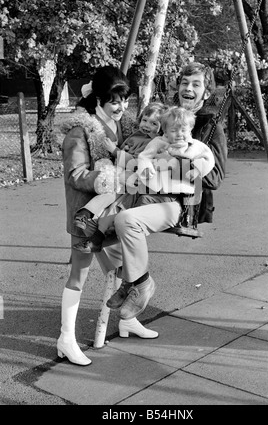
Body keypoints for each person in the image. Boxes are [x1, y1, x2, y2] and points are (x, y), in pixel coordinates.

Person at [105, 61, 228, 322]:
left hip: (181, 203)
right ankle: (132, 281)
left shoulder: (209, 127)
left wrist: (171, 163)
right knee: (103, 227)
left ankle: (140, 283)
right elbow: (146, 150)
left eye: (196, 84)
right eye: (184, 82)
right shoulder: (167, 118)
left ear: (206, 93)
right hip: (147, 192)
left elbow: (214, 177)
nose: (188, 88)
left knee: (125, 221)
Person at [58, 66, 159, 367]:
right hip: (86, 217)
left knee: (126, 265)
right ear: (99, 99)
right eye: (115, 101)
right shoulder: (80, 131)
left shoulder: (122, 127)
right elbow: (75, 175)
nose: (121, 107)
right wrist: (111, 179)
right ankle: (66, 338)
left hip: (114, 211)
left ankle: (126, 322)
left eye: (125, 100)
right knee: (79, 276)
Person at [71, 102, 167, 254]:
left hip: (134, 183)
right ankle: (86, 218)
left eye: (154, 123)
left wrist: (115, 151)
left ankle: (91, 226)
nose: (147, 125)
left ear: (162, 128)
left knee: (112, 204)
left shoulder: (154, 143)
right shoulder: (136, 135)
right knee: (109, 198)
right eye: (145, 120)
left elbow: (137, 162)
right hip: (121, 176)